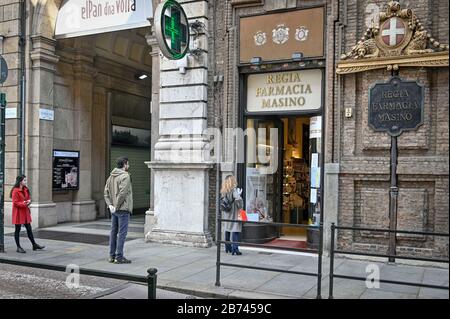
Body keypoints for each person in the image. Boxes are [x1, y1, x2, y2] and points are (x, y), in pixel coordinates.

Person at [104, 157, 133, 264]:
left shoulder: (111, 176)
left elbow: (105, 193)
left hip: (114, 209)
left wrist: (110, 205)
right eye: (128, 164)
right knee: (122, 233)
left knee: (113, 232)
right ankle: (119, 256)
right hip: (123, 208)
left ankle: (112, 256)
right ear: (124, 165)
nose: (128, 166)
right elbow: (123, 193)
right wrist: (116, 205)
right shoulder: (125, 176)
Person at [10, 175, 45, 253]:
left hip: (25, 212)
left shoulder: (25, 189)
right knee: (17, 229)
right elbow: (15, 202)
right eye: (24, 180)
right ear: (20, 181)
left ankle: (34, 244)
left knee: (29, 228)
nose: (26, 181)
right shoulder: (15, 190)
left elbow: (28, 198)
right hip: (18, 212)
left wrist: (28, 201)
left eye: (25, 180)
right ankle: (18, 247)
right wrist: (25, 203)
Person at [220, 175, 244, 255]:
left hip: (226, 214)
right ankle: (235, 249)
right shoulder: (234, 191)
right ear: (232, 181)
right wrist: (239, 195)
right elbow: (239, 202)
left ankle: (228, 248)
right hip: (234, 214)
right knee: (235, 231)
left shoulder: (223, 191)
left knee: (227, 230)